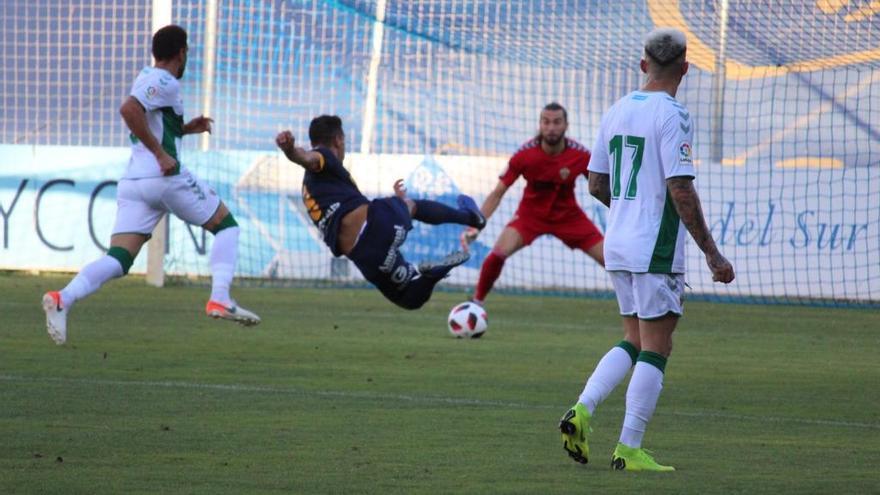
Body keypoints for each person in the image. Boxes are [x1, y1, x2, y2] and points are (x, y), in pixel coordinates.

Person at [558, 28, 734, 472]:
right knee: (658, 345)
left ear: (643, 65)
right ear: (685, 69)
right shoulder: (672, 114)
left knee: (633, 339)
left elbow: (597, 182)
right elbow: (681, 188)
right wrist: (712, 254)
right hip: (654, 248)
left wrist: (630, 211)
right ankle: (629, 449)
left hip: (617, 242)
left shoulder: (615, 110)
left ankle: (582, 410)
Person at [41, 25, 260, 345]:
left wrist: (184, 129)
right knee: (227, 227)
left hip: (135, 182)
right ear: (182, 53)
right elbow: (128, 109)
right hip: (163, 179)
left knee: (118, 259)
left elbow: (150, 122)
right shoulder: (164, 80)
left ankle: (63, 299)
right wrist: (161, 154)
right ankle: (220, 297)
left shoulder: (147, 76)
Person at [274, 116, 485, 310]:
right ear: (338, 139)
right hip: (375, 226)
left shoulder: (314, 185)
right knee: (410, 206)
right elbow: (306, 158)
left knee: (410, 298)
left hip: (363, 255)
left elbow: (307, 159)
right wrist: (290, 150)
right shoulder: (324, 157)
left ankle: (431, 276)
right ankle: (471, 217)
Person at [461, 102, 604, 306]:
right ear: (539, 124)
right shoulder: (525, 155)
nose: (551, 127)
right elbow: (497, 193)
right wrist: (476, 225)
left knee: (613, 260)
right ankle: (477, 303)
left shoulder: (580, 155)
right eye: (546, 122)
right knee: (496, 255)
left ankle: (637, 307)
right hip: (530, 216)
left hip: (569, 216)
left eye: (556, 122)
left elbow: (603, 188)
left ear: (566, 125)